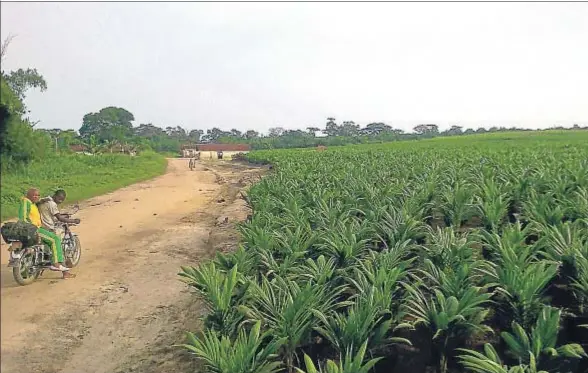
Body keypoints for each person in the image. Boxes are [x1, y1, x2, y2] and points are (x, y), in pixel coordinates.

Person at [18, 188, 73, 278]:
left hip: (36, 228)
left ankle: (59, 267)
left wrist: (42, 199)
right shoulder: (26, 202)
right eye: (34, 195)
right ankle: (56, 264)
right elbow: (23, 217)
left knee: (48, 243)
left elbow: (38, 204)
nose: (36, 197)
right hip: (33, 229)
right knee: (55, 239)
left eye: (38, 195)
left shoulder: (33, 203)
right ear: (28, 195)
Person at [38, 189, 80, 278]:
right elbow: (60, 218)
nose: (60, 201)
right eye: (59, 198)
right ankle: (65, 273)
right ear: (55, 196)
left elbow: (49, 213)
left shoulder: (44, 200)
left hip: (40, 226)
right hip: (47, 228)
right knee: (58, 247)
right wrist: (73, 221)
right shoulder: (52, 204)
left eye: (62, 200)